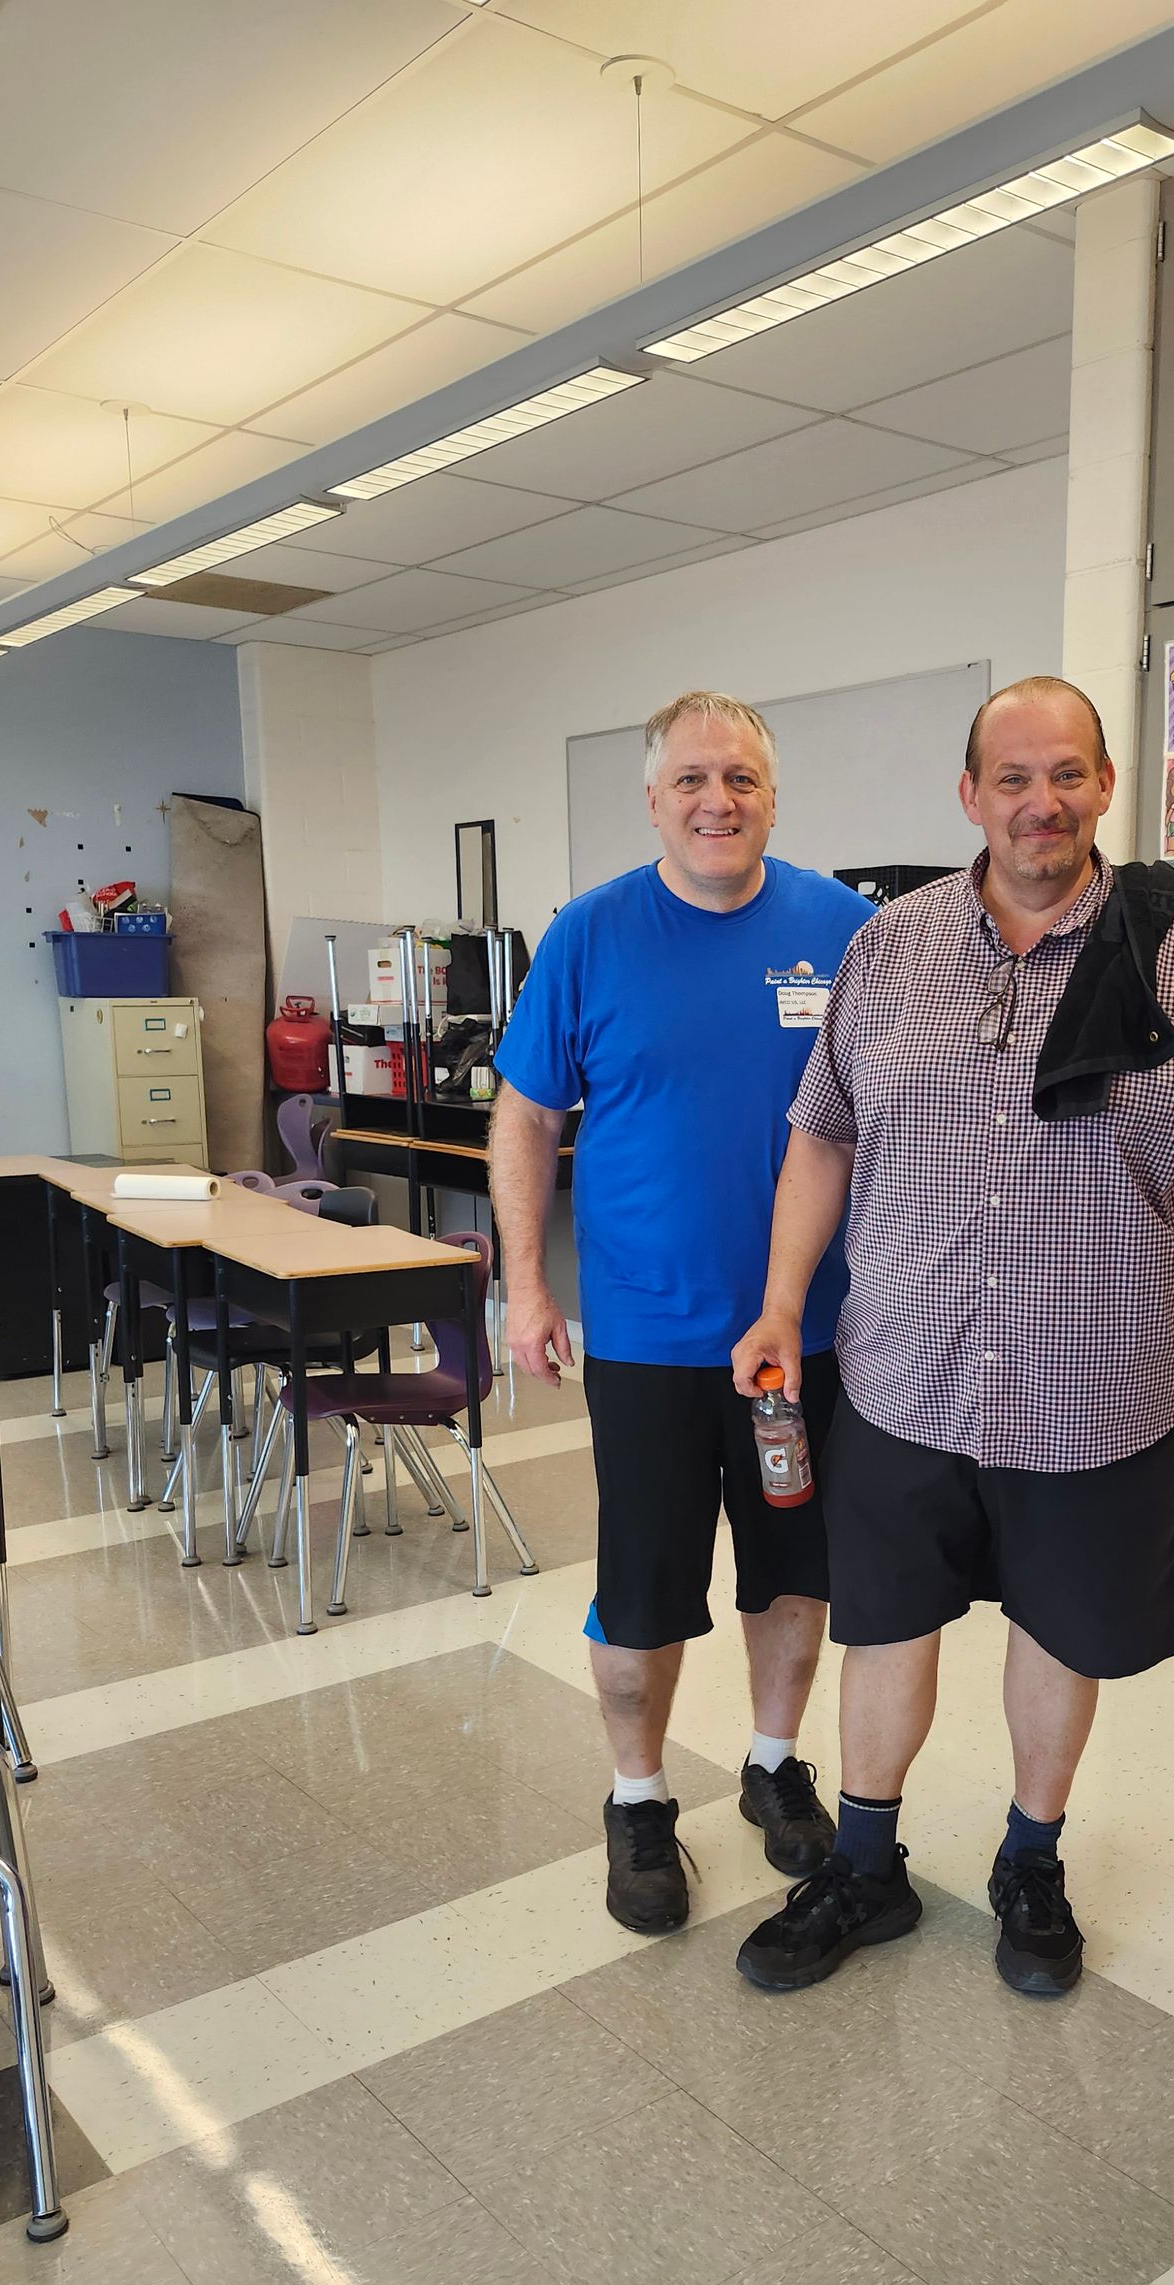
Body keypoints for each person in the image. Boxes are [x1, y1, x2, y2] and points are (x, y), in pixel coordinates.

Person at [729, 676, 1174, 1997]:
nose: (1044, 802)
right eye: (1014, 779)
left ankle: (1031, 1859)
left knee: (1061, 1631)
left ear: (1105, 787)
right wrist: (784, 1301)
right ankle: (864, 1867)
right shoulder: (891, 946)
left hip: (1102, 1383)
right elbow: (825, 1130)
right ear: (971, 797)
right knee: (887, 1626)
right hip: (906, 1371)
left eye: (1069, 775)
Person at [488, 691, 873, 1934]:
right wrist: (528, 1285)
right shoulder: (591, 936)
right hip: (650, 1335)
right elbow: (527, 1119)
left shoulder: (844, 930)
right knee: (646, 1584)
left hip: (809, 1336)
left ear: (772, 794)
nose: (720, 801)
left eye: (744, 780)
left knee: (794, 1573)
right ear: (653, 798)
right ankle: (639, 1797)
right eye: (694, 780)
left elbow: (894, 1116)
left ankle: (772, 1762)